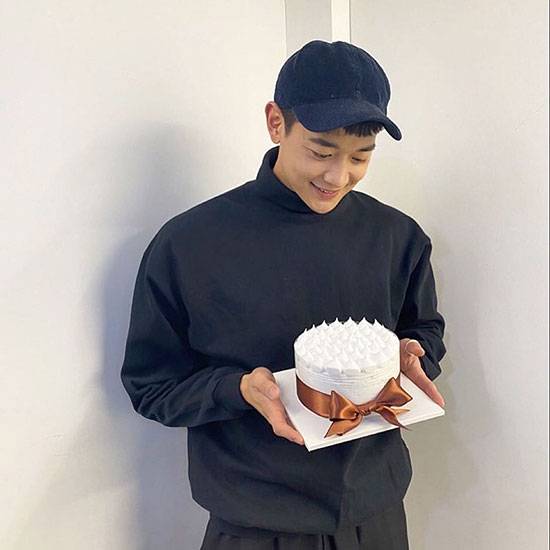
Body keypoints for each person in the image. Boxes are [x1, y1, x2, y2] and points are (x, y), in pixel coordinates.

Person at [121, 40, 446, 550]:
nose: (338, 176)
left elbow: (424, 329)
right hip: (255, 522)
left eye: (361, 156)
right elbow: (152, 386)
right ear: (276, 123)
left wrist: (414, 354)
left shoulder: (396, 236)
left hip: (376, 515)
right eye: (321, 152)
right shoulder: (189, 244)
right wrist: (237, 389)